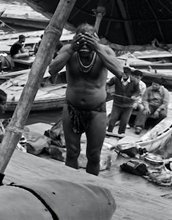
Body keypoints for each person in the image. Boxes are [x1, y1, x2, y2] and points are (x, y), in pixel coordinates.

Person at [48, 24, 123, 175]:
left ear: (95, 40)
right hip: (71, 108)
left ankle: (90, 186)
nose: (84, 47)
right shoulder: (68, 50)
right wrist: (71, 50)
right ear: (75, 40)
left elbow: (120, 72)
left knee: (94, 155)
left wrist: (98, 48)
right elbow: (52, 69)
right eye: (81, 42)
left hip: (96, 110)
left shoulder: (105, 51)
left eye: (88, 42)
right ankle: (72, 185)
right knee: (72, 152)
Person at [107, 66, 143, 134]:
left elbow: (137, 91)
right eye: (123, 74)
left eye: (126, 74)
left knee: (124, 121)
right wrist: (109, 90)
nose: (124, 75)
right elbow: (108, 84)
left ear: (129, 74)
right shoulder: (116, 78)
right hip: (117, 103)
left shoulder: (134, 81)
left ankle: (121, 133)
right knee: (113, 119)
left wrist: (134, 96)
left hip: (128, 105)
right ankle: (109, 131)